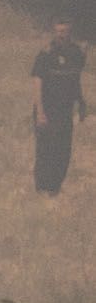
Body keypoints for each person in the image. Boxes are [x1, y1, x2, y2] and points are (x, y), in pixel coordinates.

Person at [37, 19, 86, 196]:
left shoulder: (76, 53)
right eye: (58, 31)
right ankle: (43, 187)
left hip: (66, 110)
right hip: (48, 108)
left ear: (69, 31)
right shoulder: (46, 53)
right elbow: (37, 82)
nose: (61, 35)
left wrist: (81, 102)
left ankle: (55, 187)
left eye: (64, 31)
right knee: (46, 149)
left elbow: (75, 79)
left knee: (63, 149)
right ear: (54, 32)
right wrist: (40, 111)